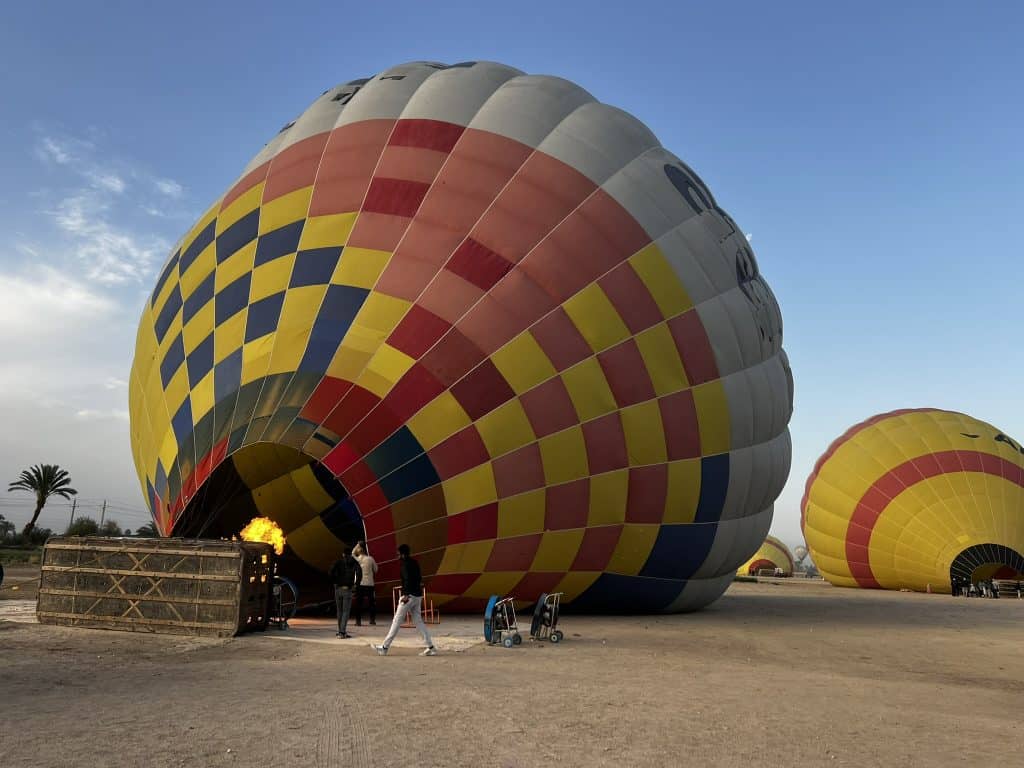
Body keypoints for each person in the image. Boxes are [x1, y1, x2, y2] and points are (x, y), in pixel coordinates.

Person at [374, 544, 436, 656]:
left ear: (402, 554)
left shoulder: (404, 565)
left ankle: (384, 647)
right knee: (419, 622)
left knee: (396, 621)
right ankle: (430, 647)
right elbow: (419, 578)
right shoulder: (415, 562)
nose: (397, 556)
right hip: (417, 596)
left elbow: (407, 580)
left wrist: (406, 595)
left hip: (409, 597)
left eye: (398, 554)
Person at [329, 547, 361, 638]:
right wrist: (355, 586)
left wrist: (335, 582)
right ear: (350, 554)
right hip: (347, 589)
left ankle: (340, 631)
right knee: (345, 612)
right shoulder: (354, 563)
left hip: (338, 589)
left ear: (343, 554)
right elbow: (359, 574)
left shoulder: (338, 562)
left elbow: (330, 572)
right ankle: (342, 632)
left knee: (339, 611)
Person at [352, 541, 378, 627]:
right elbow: (376, 570)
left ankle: (358, 621)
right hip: (370, 584)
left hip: (361, 584)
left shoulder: (359, 559)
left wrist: (357, 544)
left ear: (359, 551)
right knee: (371, 603)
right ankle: (372, 620)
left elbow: (352, 553)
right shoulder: (371, 559)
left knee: (359, 603)